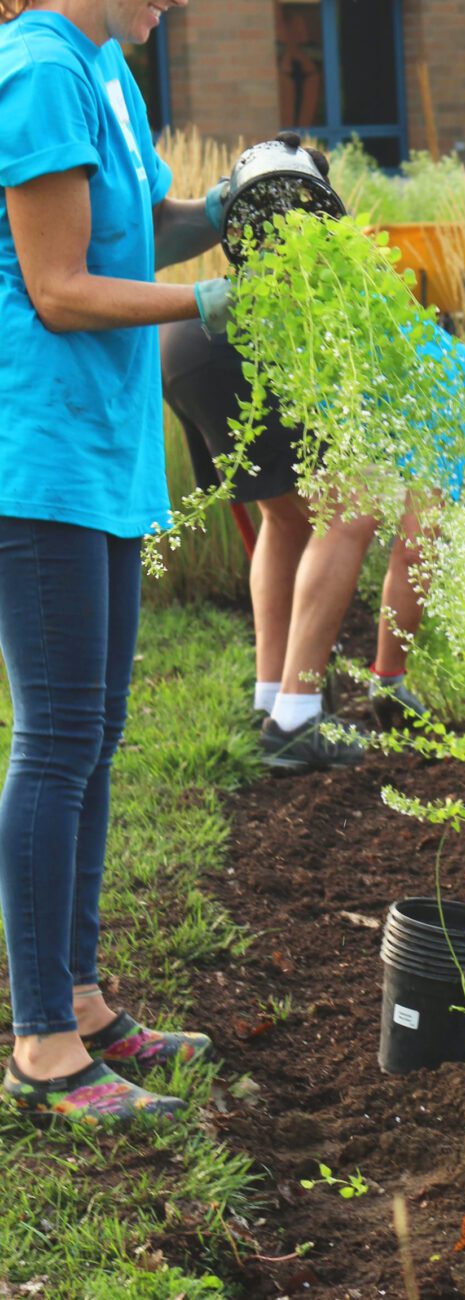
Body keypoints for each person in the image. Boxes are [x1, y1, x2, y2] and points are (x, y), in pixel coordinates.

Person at [0, 0, 245, 1124]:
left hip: (104, 450)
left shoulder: (107, 69)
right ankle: (42, 1041)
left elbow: (144, 227)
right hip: (37, 449)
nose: (172, 3)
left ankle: (84, 997)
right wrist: (210, 303)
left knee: (94, 731)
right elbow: (58, 290)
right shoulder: (36, 71)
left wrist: (238, 209)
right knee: (54, 740)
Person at [160, 313, 465, 773]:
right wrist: (389, 678)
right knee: (358, 503)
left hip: (189, 339)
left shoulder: (422, 347)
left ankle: (272, 706)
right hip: (240, 348)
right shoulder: (448, 383)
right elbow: (415, 550)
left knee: (286, 519)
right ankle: (295, 722)